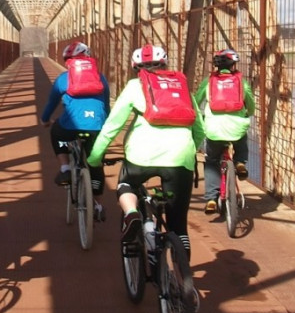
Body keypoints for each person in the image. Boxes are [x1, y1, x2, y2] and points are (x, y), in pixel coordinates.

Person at [86, 44, 205, 257]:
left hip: (140, 157)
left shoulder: (134, 86)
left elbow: (112, 125)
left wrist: (95, 157)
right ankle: (183, 277)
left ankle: (131, 214)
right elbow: (199, 129)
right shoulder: (181, 85)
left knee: (126, 185)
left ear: (136, 67)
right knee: (178, 224)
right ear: (165, 64)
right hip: (180, 158)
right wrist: (189, 150)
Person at [40, 41, 111, 221]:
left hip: (70, 127)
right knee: (95, 162)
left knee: (57, 132)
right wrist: (105, 122)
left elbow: (51, 103)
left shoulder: (63, 79)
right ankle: (98, 204)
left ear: (68, 61)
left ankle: (65, 167)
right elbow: (106, 104)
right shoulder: (100, 77)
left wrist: (45, 120)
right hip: (97, 126)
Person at [194, 48, 255, 214]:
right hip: (236, 127)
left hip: (214, 128)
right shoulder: (241, 82)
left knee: (212, 161)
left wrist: (199, 117)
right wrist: (247, 113)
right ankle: (240, 161)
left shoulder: (209, 81)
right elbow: (250, 103)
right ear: (234, 64)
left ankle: (211, 199)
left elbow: (196, 100)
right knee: (241, 138)